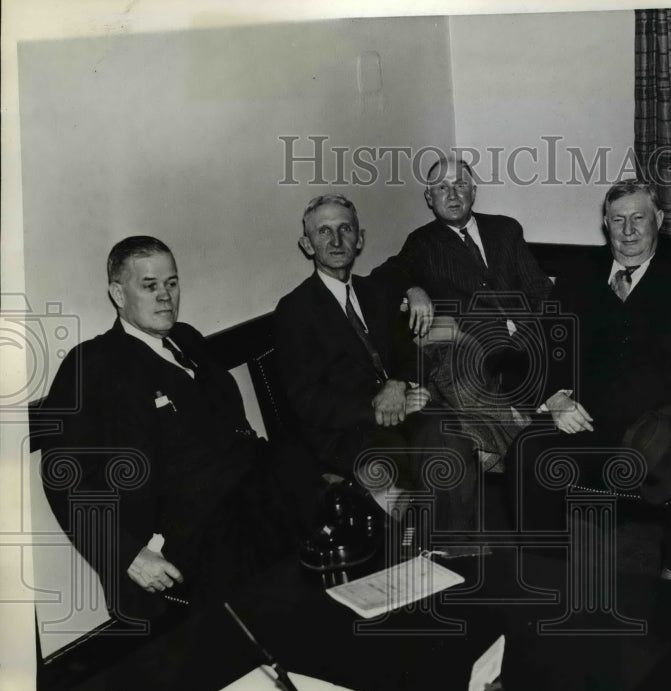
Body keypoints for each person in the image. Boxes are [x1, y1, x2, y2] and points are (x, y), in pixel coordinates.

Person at [41, 237, 317, 621]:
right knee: (286, 585)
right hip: (186, 533)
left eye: (171, 283)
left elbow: (234, 433)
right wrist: (128, 556)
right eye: (149, 286)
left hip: (249, 498)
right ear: (118, 294)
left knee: (335, 507)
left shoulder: (186, 339)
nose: (165, 296)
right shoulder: (92, 364)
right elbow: (63, 475)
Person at [507, 180, 671, 584]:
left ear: (658, 219)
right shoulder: (580, 272)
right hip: (593, 425)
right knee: (529, 450)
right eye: (617, 220)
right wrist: (555, 399)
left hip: (670, 427)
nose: (628, 231)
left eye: (638, 218)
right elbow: (546, 348)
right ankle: (545, 577)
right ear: (605, 224)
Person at [273, 194, 481, 542]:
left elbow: (410, 356)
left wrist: (400, 384)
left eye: (345, 229)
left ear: (360, 239)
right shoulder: (295, 310)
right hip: (346, 431)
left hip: (398, 414)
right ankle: (416, 551)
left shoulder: (376, 292)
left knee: (446, 433)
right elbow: (307, 401)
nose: (336, 240)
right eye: (323, 231)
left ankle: (453, 551)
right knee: (397, 461)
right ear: (307, 245)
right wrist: (379, 408)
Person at [370, 155, 553, 418]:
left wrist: (538, 333)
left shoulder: (506, 229)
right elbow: (384, 275)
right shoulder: (422, 243)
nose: (453, 195)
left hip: (532, 340)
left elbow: (540, 289)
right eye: (442, 187)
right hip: (480, 353)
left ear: (473, 192)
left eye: (460, 185)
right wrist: (412, 289)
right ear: (429, 198)